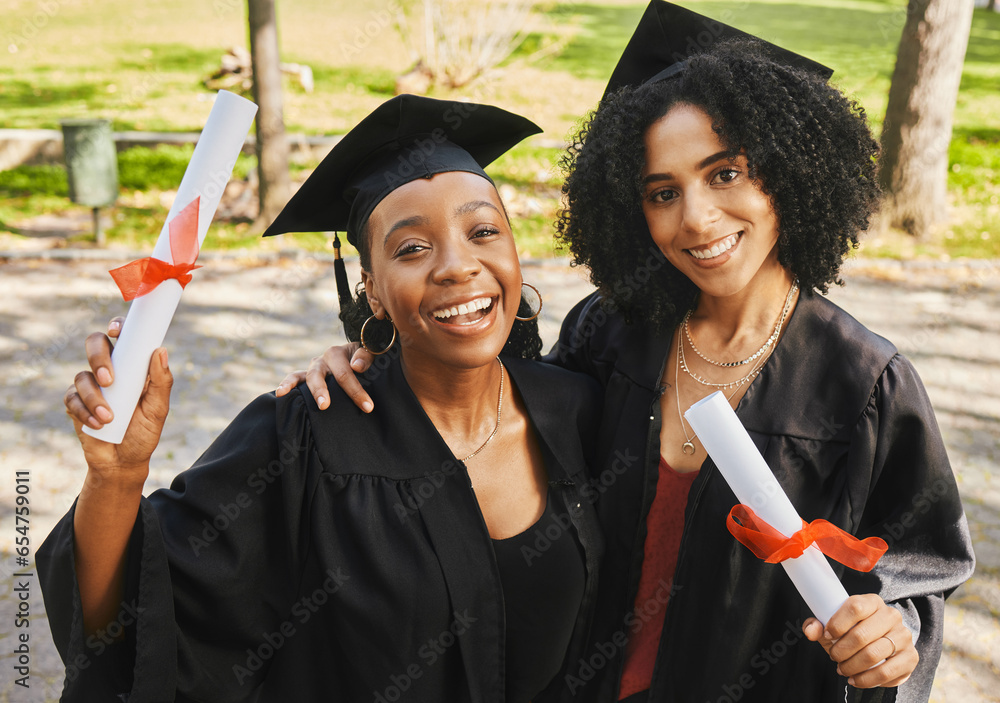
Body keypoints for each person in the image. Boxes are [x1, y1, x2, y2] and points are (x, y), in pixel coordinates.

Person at [282, 4, 975, 703]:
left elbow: (922, 569)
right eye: (662, 192)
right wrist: (376, 359)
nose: (697, 218)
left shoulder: (862, 384)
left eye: (725, 173)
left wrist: (894, 633)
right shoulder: (608, 334)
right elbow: (496, 423)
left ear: (787, 171)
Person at [39, 94, 605, 703]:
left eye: (484, 231)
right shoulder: (304, 437)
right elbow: (120, 631)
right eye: (411, 248)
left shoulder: (576, 411)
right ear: (373, 292)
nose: (457, 267)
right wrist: (117, 475)